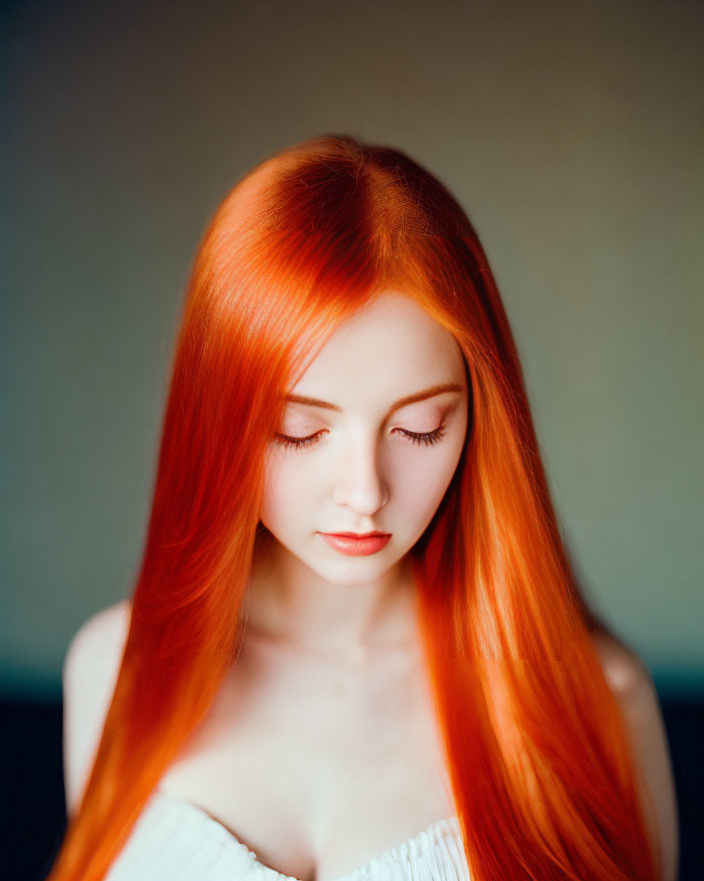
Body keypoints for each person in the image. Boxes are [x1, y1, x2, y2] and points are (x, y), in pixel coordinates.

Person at [47, 134, 678, 881]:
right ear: (217, 418)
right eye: (299, 430)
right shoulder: (113, 671)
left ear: (479, 419)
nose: (364, 492)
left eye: (419, 429)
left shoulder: (600, 703)